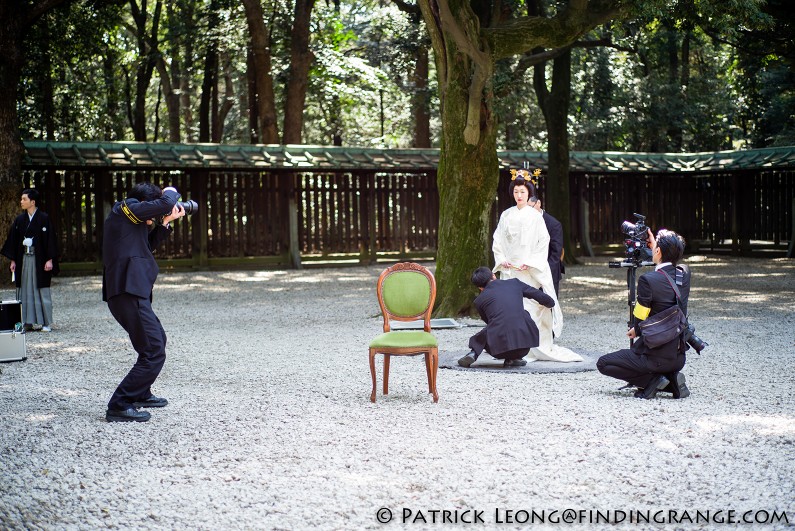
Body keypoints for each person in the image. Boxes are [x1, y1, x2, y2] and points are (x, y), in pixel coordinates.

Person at [102, 182, 186, 422]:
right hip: (127, 292)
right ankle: (120, 403)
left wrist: (165, 223)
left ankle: (140, 393)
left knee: (157, 340)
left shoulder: (130, 225)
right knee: (154, 349)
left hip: (133, 292)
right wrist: (169, 192)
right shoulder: (124, 208)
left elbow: (146, 247)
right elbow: (164, 202)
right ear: (141, 203)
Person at [492, 169, 582, 362]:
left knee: (531, 306)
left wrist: (531, 263)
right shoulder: (506, 215)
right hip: (510, 269)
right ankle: (513, 348)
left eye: (522, 192)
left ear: (529, 193)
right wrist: (501, 259)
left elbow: (544, 241)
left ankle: (532, 347)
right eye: (516, 192)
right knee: (511, 307)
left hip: (528, 270)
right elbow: (497, 239)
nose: (519, 195)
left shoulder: (535, 217)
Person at [596, 229, 692, 399]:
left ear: (658, 251)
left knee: (603, 363)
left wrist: (636, 329)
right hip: (678, 357)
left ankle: (654, 381)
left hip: (654, 357)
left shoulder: (648, 280)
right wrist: (657, 244)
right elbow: (668, 262)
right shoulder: (684, 274)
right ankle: (672, 380)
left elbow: (640, 315)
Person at [458, 267, 555, 368]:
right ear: (493, 275)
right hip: (525, 346)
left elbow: (490, 323)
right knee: (523, 314)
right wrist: (550, 303)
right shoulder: (514, 283)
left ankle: (473, 353)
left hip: (498, 350)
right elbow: (536, 294)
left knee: (493, 327)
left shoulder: (479, 301)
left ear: (480, 288)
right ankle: (513, 359)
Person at [1, 188, 59, 332]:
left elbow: (50, 240)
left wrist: (50, 259)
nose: (21, 202)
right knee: (25, 290)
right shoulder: (20, 220)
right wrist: (13, 261)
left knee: (41, 288)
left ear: (32, 202)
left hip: (40, 259)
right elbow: (13, 242)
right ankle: (26, 321)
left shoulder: (44, 218)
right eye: (21, 199)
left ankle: (45, 322)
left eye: (24, 199)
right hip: (23, 259)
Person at [531, 197, 564, 297]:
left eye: (531, 207)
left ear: (538, 203)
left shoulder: (553, 224)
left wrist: (545, 272)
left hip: (548, 270)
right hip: (529, 270)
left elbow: (556, 252)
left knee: (549, 304)